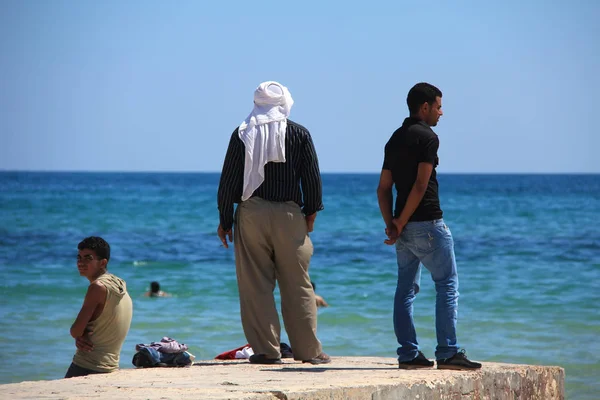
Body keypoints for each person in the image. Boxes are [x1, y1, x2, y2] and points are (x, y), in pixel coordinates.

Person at [217, 81, 330, 365]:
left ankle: (267, 351)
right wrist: (311, 213)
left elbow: (229, 180)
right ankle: (309, 352)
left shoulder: (242, 133)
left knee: (255, 286)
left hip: (251, 213)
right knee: (299, 285)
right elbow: (312, 180)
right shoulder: (299, 133)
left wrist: (225, 219)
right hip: (290, 215)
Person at [377, 82, 481, 370]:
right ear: (425, 107)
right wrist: (401, 220)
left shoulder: (394, 139)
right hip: (428, 224)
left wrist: (393, 224)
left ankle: (408, 355)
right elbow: (422, 185)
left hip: (404, 230)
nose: (441, 112)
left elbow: (383, 189)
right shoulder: (428, 138)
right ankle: (447, 352)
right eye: (438, 106)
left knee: (405, 290)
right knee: (447, 284)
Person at [65, 236, 133, 378]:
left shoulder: (97, 287)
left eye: (88, 258)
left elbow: (75, 331)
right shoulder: (120, 284)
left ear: (103, 263)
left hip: (88, 365)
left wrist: (79, 334)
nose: (80, 262)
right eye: (79, 257)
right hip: (111, 367)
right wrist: (82, 334)